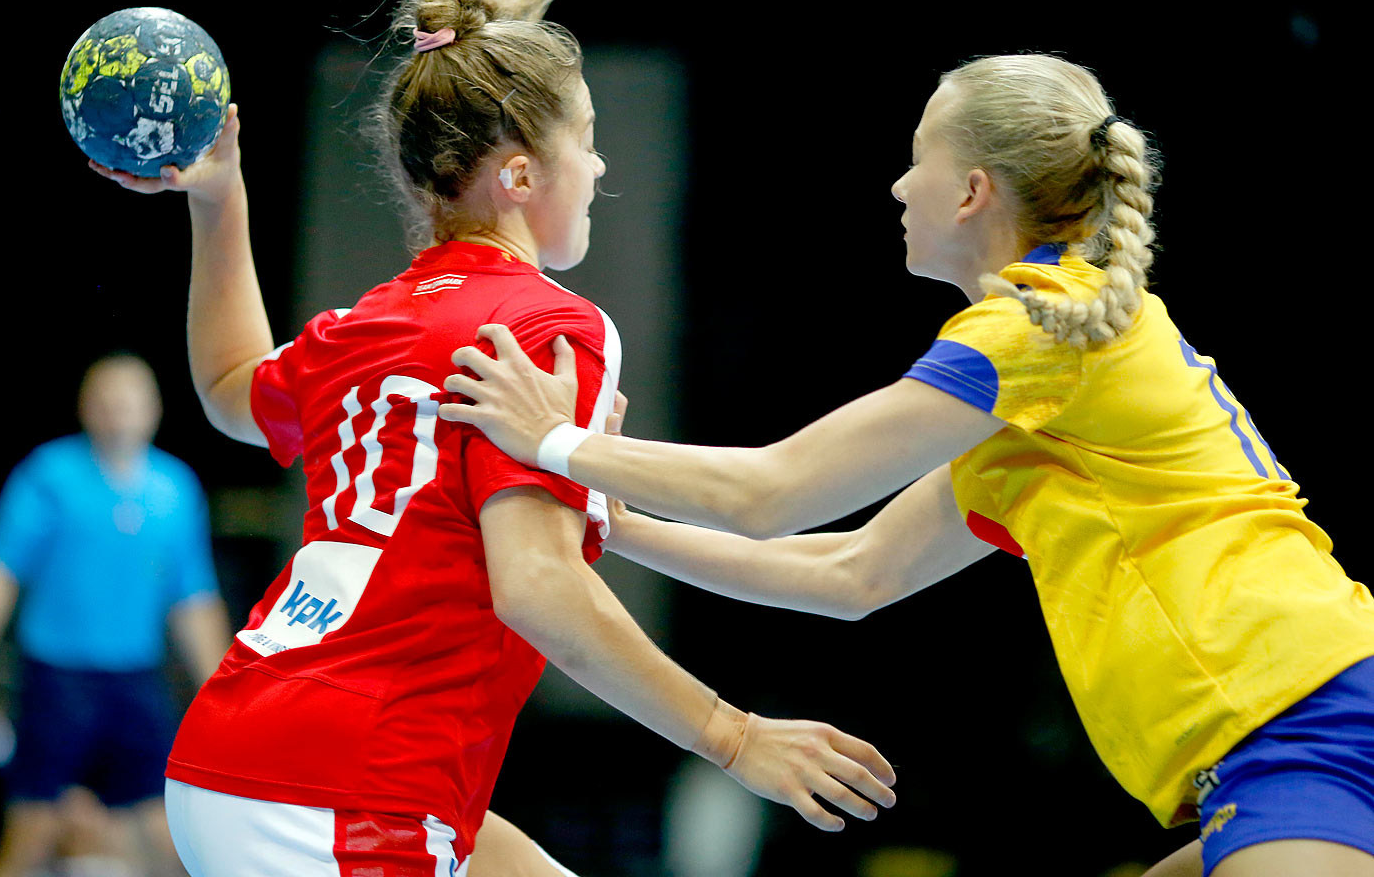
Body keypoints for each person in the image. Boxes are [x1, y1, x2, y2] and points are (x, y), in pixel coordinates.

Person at [90, 0, 894, 877]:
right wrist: (731, 735)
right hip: (352, 788)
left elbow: (226, 388)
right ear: (517, 174)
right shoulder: (552, 327)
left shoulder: (369, 322)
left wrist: (219, 197)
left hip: (238, 755)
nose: (598, 167)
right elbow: (537, 585)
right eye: (585, 139)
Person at [439, 53, 1374, 877]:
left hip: (1308, 723)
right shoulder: (1041, 387)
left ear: (970, 191)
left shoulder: (1036, 328)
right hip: (1275, 744)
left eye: (916, 156)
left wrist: (555, 445)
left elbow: (775, 492)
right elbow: (851, 572)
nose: (895, 186)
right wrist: (607, 515)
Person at [0, 354, 233, 877]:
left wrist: (228, 690)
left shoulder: (175, 488)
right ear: (86, 407)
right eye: (106, 401)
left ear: (154, 410)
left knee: (167, 834)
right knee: (33, 831)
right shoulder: (48, 475)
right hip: (57, 679)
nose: (118, 413)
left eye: (130, 402)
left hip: (136, 682)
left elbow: (194, 600)